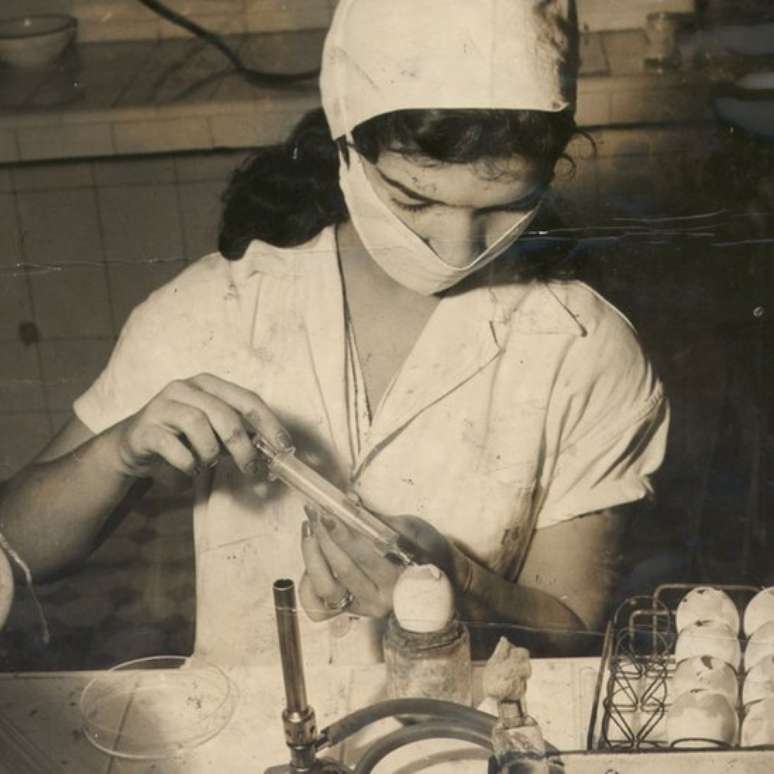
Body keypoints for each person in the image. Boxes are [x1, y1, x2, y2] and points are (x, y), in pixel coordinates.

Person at [0, 0, 667, 667]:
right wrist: (115, 454)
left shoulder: (586, 350)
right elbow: (17, 546)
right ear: (348, 146)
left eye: (505, 206)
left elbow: (575, 630)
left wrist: (460, 590)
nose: (456, 246)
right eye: (414, 199)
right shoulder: (223, 305)